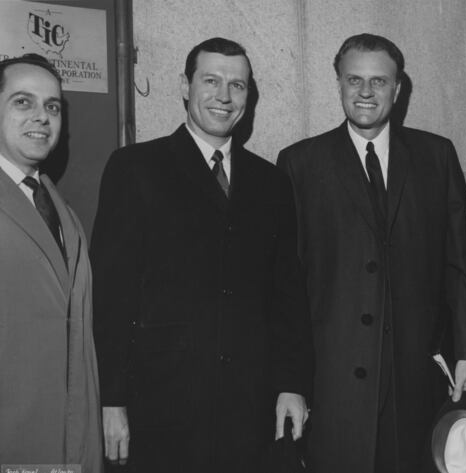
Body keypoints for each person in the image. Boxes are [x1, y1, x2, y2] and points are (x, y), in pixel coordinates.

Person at [90, 37, 313, 473]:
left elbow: (288, 293)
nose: (224, 97)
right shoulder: (134, 168)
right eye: (211, 81)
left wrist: (292, 384)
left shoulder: (271, 183)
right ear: (184, 86)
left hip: (250, 410)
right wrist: (111, 400)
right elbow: (111, 296)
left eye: (238, 85)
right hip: (160, 408)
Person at [277, 33, 466, 473]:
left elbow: (458, 262)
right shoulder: (299, 164)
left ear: (398, 88)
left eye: (379, 81)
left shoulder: (436, 156)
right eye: (354, 80)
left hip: (414, 380)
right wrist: (290, 381)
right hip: (331, 383)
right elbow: (287, 286)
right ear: (338, 84)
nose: (365, 93)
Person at [0, 54, 102, 470]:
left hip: (66, 443)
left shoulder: (59, 208)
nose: (41, 117)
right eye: (23, 102)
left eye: (52, 107)